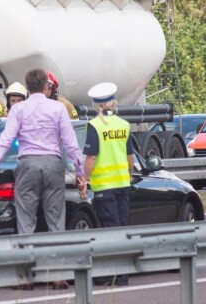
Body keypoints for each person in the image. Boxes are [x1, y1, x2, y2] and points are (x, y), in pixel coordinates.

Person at [0, 69, 85, 290]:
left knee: (26, 220)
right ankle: (58, 274)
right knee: (56, 220)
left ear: (27, 88)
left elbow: (5, 140)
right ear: (46, 86)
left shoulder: (19, 109)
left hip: (27, 165)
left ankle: (26, 276)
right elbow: (71, 142)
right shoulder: (58, 108)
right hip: (54, 164)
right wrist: (80, 173)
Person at [81, 82, 134, 287]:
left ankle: (117, 275)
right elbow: (130, 157)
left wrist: (84, 180)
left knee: (110, 230)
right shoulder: (124, 124)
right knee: (121, 227)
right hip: (122, 185)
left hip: (104, 187)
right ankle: (120, 272)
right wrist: (128, 176)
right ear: (114, 101)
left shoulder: (95, 125)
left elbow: (91, 158)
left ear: (96, 105)